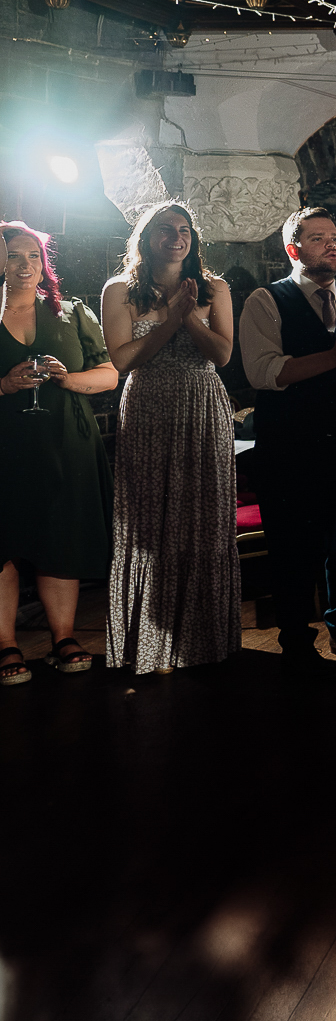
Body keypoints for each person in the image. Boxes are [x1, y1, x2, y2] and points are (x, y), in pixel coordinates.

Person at [239, 208, 336, 665]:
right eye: (319, 238)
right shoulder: (266, 301)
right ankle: (295, 641)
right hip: (289, 448)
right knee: (293, 549)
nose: (334, 246)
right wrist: (333, 356)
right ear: (294, 250)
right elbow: (265, 372)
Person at [101, 204, 240, 675]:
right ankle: (151, 640)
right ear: (145, 237)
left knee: (204, 514)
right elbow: (123, 361)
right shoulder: (119, 290)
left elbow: (222, 355)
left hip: (203, 405)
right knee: (149, 520)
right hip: (148, 407)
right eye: (166, 230)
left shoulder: (215, 288)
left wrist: (190, 317)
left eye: (184, 231)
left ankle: (204, 637)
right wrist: (169, 320)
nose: (177, 238)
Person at [0, 222, 117, 687]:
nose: (25, 265)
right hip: (5, 445)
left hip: (66, 442)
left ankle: (63, 637)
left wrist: (67, 379)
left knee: (61, 538)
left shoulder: (71, 312)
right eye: (13, 256)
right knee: (2, 543)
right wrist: (4, 385)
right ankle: (6, 643)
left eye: (33, 256)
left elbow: (108, 375)